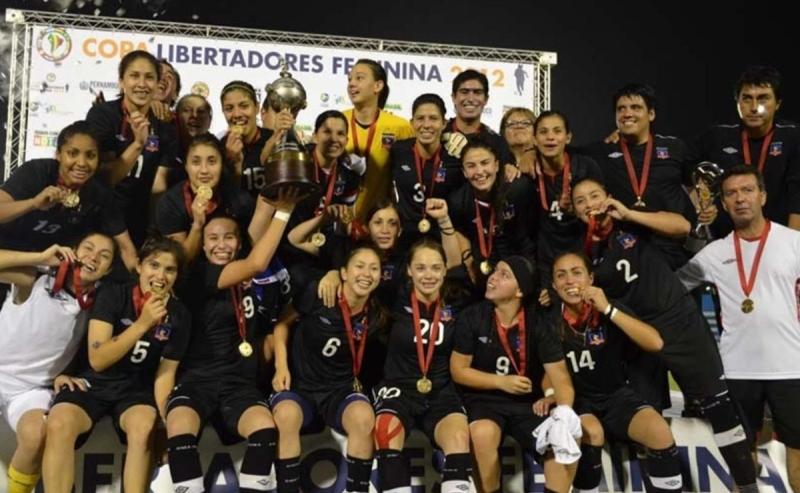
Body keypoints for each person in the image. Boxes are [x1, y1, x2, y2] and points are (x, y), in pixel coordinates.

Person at [570, 176, 759, 491]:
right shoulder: (581, 251)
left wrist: (628, 213)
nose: (590, 204)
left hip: (679, 322)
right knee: (647, 418)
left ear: (608, 196)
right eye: (581, 200)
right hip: (635, 337)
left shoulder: (632, 221)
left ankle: (747, 486)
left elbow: (682, 226)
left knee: (719, 405)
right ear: (574, 210)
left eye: (595, 195)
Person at [165, 188, 301, 493]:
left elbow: (252, 245)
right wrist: (285, 211)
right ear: (202, 244)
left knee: (265, 431)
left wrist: (267, 206)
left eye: (228, 238)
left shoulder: (242, 276)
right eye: (212, 238)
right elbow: (256, 262)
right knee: (180, 429)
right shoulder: (197, 275)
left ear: (239, 243)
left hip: (239, 385)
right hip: (197, 382)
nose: (221, 245)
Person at [678, 165, 800, 490]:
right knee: (742, 455)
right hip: (737, 368)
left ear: (762, 195)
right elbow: (674, 288)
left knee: (798, 452)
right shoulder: (715, 253)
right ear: (723, 203)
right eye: (731, 193)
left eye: (747, 190)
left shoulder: (794, 242)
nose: (740, 199)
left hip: (791, 366)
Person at [42, 236, 190, 493]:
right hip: (95, 383)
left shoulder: (180, 315)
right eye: (154, 265)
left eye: (170, 269)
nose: (161, 275)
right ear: (140, 267)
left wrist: (168, 421)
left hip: (135, 391)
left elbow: (165, 375)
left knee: (144, 425)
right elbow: (98, 360)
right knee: (60, 421)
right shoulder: (114, 294)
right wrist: (143, 324)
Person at [545, 252, 682, 492]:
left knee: (659, 431)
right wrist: (550, 392)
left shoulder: (610, 308)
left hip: (616, 396)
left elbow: (655, 343)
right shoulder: (548, 322)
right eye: (561, 275)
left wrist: (608, 309)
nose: (569, 281)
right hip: (579, 401)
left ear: (591, 279)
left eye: (577, 273)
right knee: (591, 432)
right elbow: (550, 369)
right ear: (555, 286)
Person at [450, 256, 578, 493]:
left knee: (565, 435)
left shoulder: (538, 323)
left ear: (520, 290)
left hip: (528, 404)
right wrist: (500, 382)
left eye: (504, 274)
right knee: (482, 433)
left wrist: (562, 409)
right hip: (484, 401)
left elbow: (561, 378)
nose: (493, 277)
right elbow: (458, 371)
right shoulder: (473, 316)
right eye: (495, 271)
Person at [0, 233, 116, 493]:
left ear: (109, 269)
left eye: (104, 255)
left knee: (37, 434)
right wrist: (39, 257)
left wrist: (68, 374)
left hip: (30, 390)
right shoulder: (36, 278)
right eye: (88, 248)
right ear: (72, 251)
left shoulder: (102, 303)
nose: (93, 257)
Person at [270, 244, 384, 493]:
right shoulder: (320, 292)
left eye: (374, 269)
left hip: (339, 390)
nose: (366, 274)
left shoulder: (376, 311)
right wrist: (281, 367)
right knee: (286, 415)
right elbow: (281, 325)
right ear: (343, 272)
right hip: (302, 387)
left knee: (364, 417)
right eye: (360, 266)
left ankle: (357, 490)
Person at [372, 239, 472, 492]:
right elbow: (358, 277)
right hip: (399, 389)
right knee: (385, 431)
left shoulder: (458, 301)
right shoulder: (392, 297)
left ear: (445, 270)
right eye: (421, 268)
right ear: (408, 270)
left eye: (436, 268)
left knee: (460, 437)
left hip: (441, 390)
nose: (429, 276)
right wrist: (331, 274)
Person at [583, 83, 696, 269]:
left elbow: (695, 184)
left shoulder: (675, 148)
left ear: (651, 114)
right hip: (626, 253)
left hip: (674, 251)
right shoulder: (603, 151)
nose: (627, 114)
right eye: (621, 109)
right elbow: (563, 152)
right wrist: (529, 151)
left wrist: (701, 210)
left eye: (636, 107)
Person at [0, 121, 137, 270]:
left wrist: (140, 286)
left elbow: (126, 247)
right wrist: (33, 203)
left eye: (91, 155)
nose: (82, 163)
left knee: (37, 277)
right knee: (32, 275)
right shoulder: (37, 172)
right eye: (73, 153)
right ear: (58, 154)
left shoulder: (99, 193)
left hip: (41, 261)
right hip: (7, 248)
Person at [85, 50, 180, 247]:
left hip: (138, 223)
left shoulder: (165, 127)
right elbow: (106, 178)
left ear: (156, 84)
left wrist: (155, 232)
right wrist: (137, 144)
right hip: (99, 219)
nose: (142, 84)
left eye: (149, 78)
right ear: (121, 81)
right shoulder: (103, 115)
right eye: (134, 76)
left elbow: (158, 185)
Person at [691, 65, 800, 234]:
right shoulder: (716, 136)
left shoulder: (793, 137)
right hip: (726, 239)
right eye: (747, 98)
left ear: (777, 103)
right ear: (737, 102)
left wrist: (793, 246)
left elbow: (797, 197)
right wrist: (701, 201)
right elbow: (684, 170)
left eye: (763, 98)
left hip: (778, 237)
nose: (755, 107)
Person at [443, 138, 537, 284]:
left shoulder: (519, 189)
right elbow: (460, 232)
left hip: (520, 264)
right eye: (471, 166)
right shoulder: (457, 201)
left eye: (485, 163)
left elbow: (532, 233)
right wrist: (467, 258)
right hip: (481, 269)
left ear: (497, 165)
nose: (479, 171)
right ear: (464, 172)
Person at [530, 111, 602, 295]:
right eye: (543, 132)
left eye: (557, 131)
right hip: (546, 259)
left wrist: (578, 210)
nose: (550, 137)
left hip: (583, 252)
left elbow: (602, 209)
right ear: (534, 139)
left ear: (568, 137)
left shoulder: (586, 167)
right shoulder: (527, 172)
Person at [156, 134, 254, 262]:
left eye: (212, 161)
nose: (204, 170)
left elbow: (249, 248)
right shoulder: (170, 203)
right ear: (186, 166)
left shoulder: (238, 199)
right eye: (196, 162)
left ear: (222, 164)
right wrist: (197, 225)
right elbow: (180, 262)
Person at [343, 59, 414, 220]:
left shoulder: (399, 127)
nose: (351, 84)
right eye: (349, 79)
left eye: (359, 78)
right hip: (339, 220)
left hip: (380, 223)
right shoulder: (338, 121)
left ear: (378, 86)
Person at [391, 94, 464, 248]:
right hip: (405, 238)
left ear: (444, 123)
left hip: (444, 237)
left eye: (433, 118)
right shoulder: (398, 150)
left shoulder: (455, 156)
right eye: (420, 118)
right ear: (411, 123)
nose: (426, 124)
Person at [446, 69, 514, 167]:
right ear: (453, 97)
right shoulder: (438, 135)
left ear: (486, 99)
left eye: (477, 92)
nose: (470, 99)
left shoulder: (497, 143)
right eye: (464, 92)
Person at [500, 107, 537, 176]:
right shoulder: (496, 162)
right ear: (503, 133)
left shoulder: (545, 158)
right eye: (512, 124)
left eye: (526, 123)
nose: (519, 126)